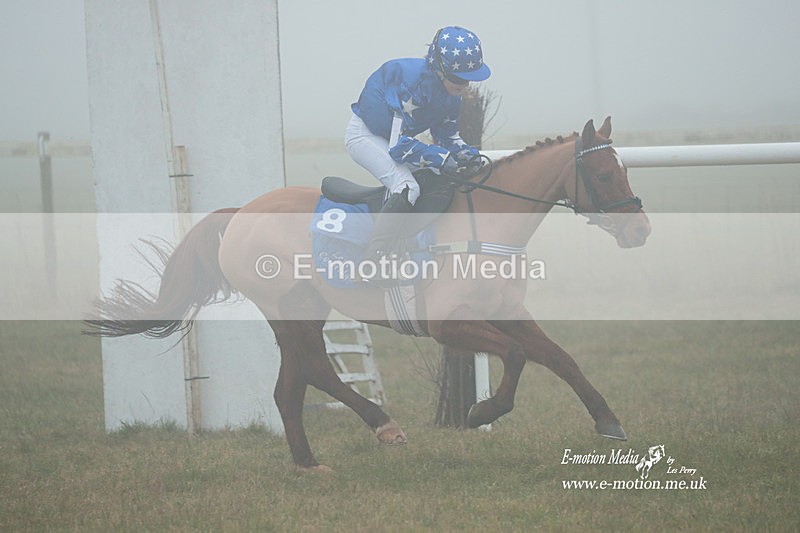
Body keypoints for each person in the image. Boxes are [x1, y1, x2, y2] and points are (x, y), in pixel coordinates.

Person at [345, 25, 491, 275]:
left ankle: (409, 248)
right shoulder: (413, 83)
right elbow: (397, 146)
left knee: (438, 179)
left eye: (470, 78)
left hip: (393, 139)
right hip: (365, 135)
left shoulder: (451, 96)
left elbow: (448, 138)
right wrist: (441, 158)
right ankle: (373, 262)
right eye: (458, 79)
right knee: (406, 186)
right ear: (438, 68)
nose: (464, 85)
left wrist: (472, 157)